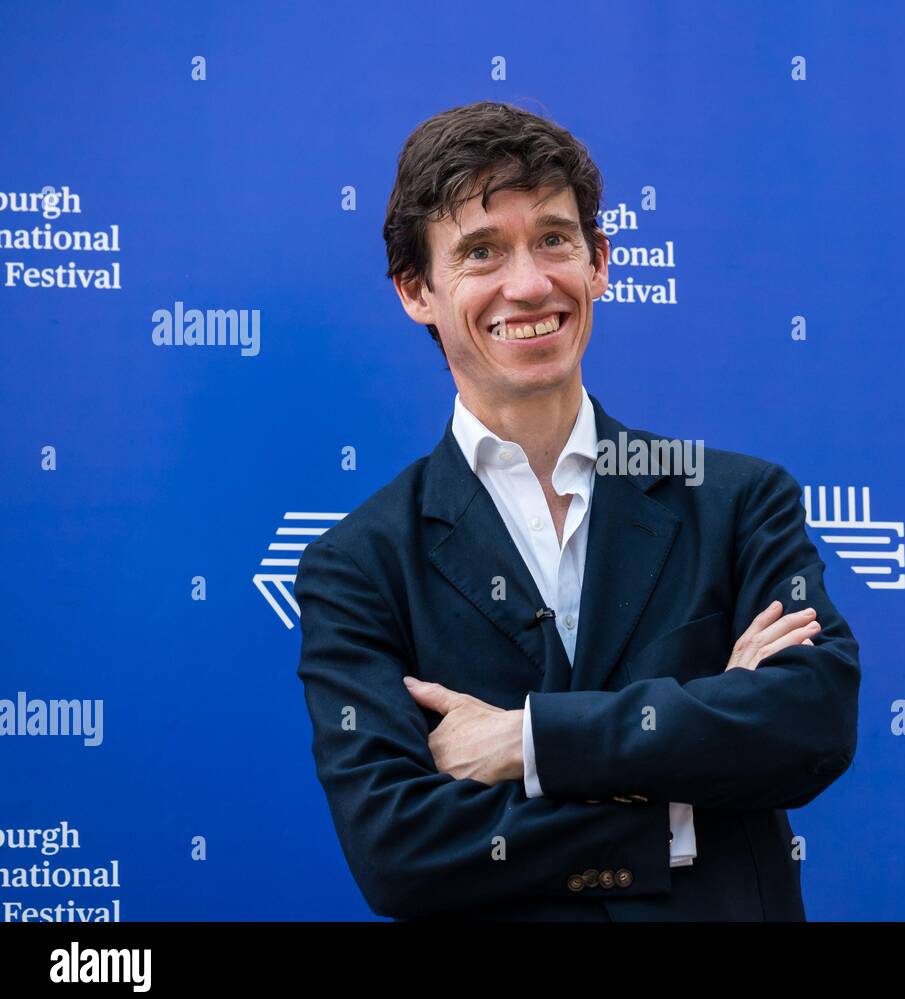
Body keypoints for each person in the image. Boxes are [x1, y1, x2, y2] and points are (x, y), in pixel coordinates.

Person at [293, 101, 861, 921]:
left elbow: (809, 724)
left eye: (554, 240)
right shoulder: (359, 566)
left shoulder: (736, 500)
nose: (528, 284)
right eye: (481, 252)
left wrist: (528, 742)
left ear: (598, 262)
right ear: (417, 291)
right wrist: (675, 797)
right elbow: (398, 848)